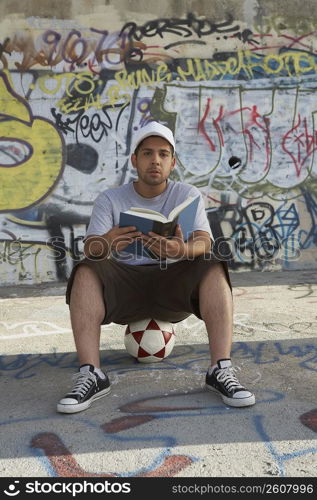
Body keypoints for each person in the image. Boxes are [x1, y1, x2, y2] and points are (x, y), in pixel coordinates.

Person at [57, 121, 255, 414]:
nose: (156, 160)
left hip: (172, 287)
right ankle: (91, 373)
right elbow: (90, 249)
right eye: (148, 153)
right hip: (125, 288)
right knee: (86, 268)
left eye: (163, 154)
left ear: (172, 162)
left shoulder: (186, 194)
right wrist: (108, 241)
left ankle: (220, 368)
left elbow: (203, 240)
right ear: (135, 160)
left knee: (213, 262)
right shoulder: (110, 199)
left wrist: (181, 249)